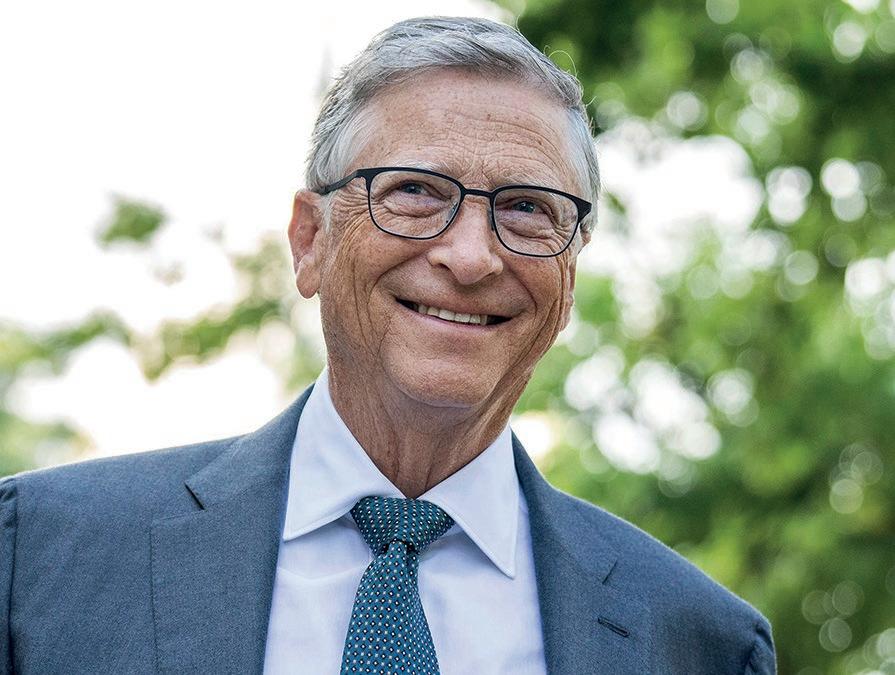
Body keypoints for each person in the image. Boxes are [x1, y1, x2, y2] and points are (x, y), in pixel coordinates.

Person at [0, 16, 776, 675]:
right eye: (414, 191)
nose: (470, 257)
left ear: (568, 278)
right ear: (310, 239)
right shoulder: (36, 555)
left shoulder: (698, 641)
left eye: (527, 208)